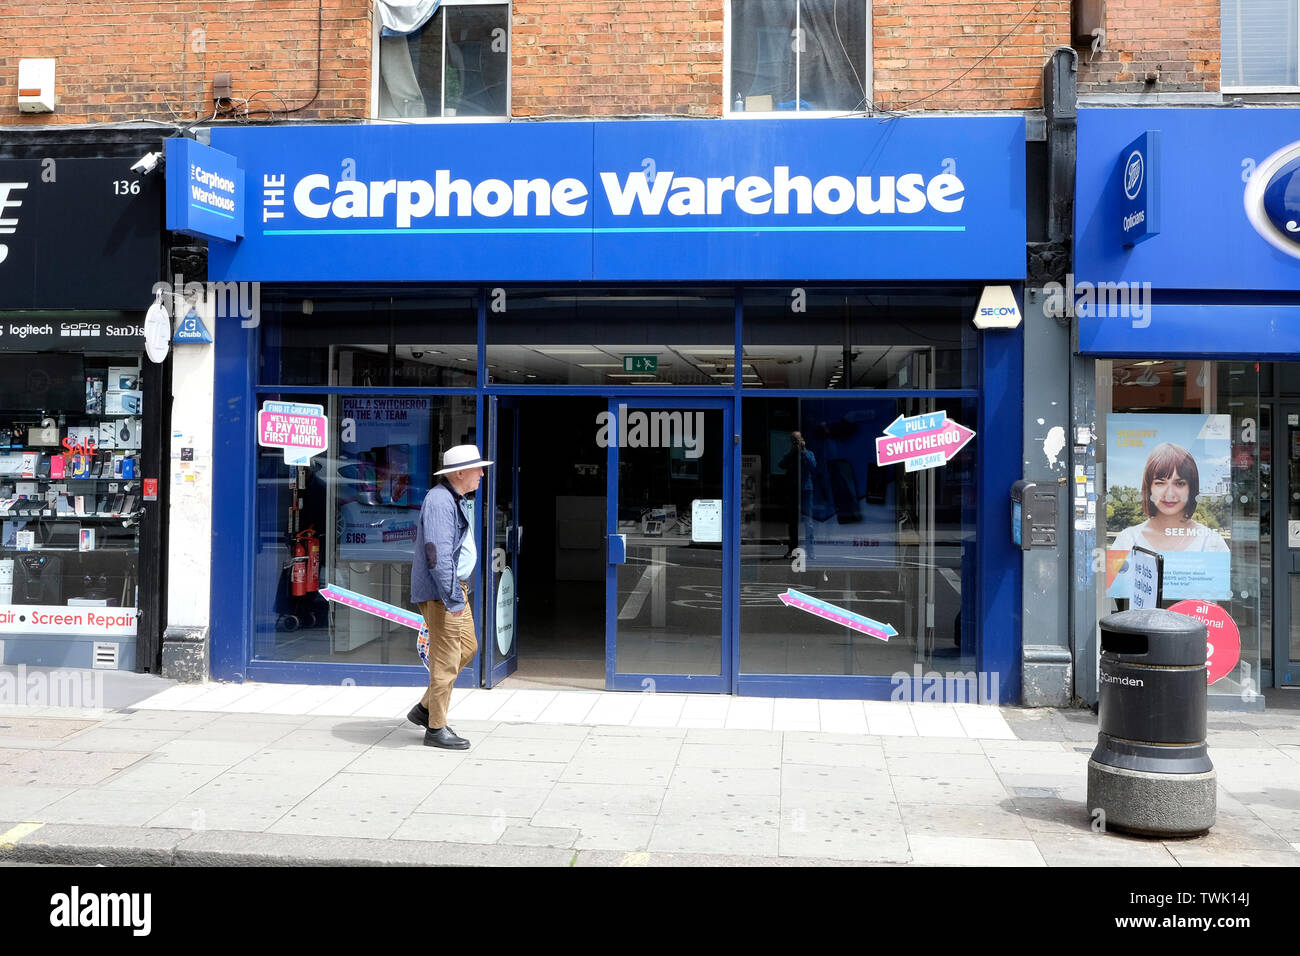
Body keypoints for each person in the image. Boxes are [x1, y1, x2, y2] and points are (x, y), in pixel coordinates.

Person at [407, 444, 492, 749]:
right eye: (477, 468)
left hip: (454, 590)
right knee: (446, 660)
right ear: (459, 472)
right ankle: (436, 729)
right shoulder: (441, 501)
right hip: (444, 593)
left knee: (467, 647)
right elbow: (437, 556)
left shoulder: (455, 499)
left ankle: (424, 708)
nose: (482, 473)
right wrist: (452, 598)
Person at [1112, 442, 1228, 555]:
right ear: (1149, 487)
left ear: (1191, 488)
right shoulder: (1127, 541)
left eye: (1179, 483)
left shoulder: (1212, 543)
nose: (1169, 494)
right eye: (1160, 483)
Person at [779, 430, 817, 559]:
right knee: (792, 521)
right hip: (793, 490)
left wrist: (804, 450)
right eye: (794, 441)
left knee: (809, 522)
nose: (796, 443)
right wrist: (792, 452)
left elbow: (813, 465)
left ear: (802, 440)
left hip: (806, 490)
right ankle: (793, 549)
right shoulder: (790, 455)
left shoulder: (809, 453)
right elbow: (781, 465)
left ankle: (810, 550)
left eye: (798, 441)